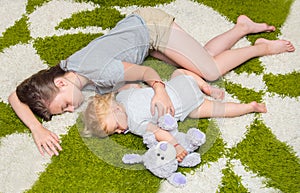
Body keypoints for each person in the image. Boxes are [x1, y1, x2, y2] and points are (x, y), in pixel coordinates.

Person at [8, 7, 295, 157]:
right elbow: (15, 96)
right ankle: (241, 27)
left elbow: (146, 74)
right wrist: (36, 129)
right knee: (200, 58)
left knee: (207, 72)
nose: (71, 110)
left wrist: (160, 92)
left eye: (65, 106)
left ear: (59, 84)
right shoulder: (68, 71)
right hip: (138, 39)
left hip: (151, 28)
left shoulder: (102, 71)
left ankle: (261, 47)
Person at [82, 69, 267, 162]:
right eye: (114, 133)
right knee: (179, 71)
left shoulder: (136, 123)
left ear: (115, 110)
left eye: (116, 127)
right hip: (178, 83)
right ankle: (204, 86)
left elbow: (160, 133)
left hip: (185, 105)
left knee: (219, 110)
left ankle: (249, 107)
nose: (120, 131)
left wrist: (176, 146)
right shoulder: (122, 96)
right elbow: (133, 86)